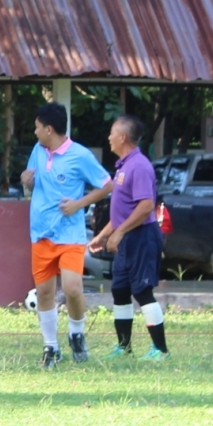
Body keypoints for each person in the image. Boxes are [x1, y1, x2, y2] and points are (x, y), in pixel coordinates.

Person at [19, 102, 113, 367]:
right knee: (45, 292)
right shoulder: (38, 150)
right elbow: (32, 183)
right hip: (40, 233)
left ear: (49, 129)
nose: (35, 132)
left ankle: (77, 334)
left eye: (37, 128)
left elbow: (107, 185)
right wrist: (27, 180)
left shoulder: (80, 155)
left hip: (69, 235)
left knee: (72, 288)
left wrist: (79, 204)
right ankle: (51, 348)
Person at [89, 115, 168, 359]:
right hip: (126, 237)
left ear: (123, 137)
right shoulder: (124, 166)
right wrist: (104, 235)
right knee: (120, 290)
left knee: (142, 291)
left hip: (141, 236)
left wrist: (120, 233)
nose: (109, 138)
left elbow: (145, 206)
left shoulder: (140, 166)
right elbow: (124, 210)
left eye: (112, 133)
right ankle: (124, 347)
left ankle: (160, 350)